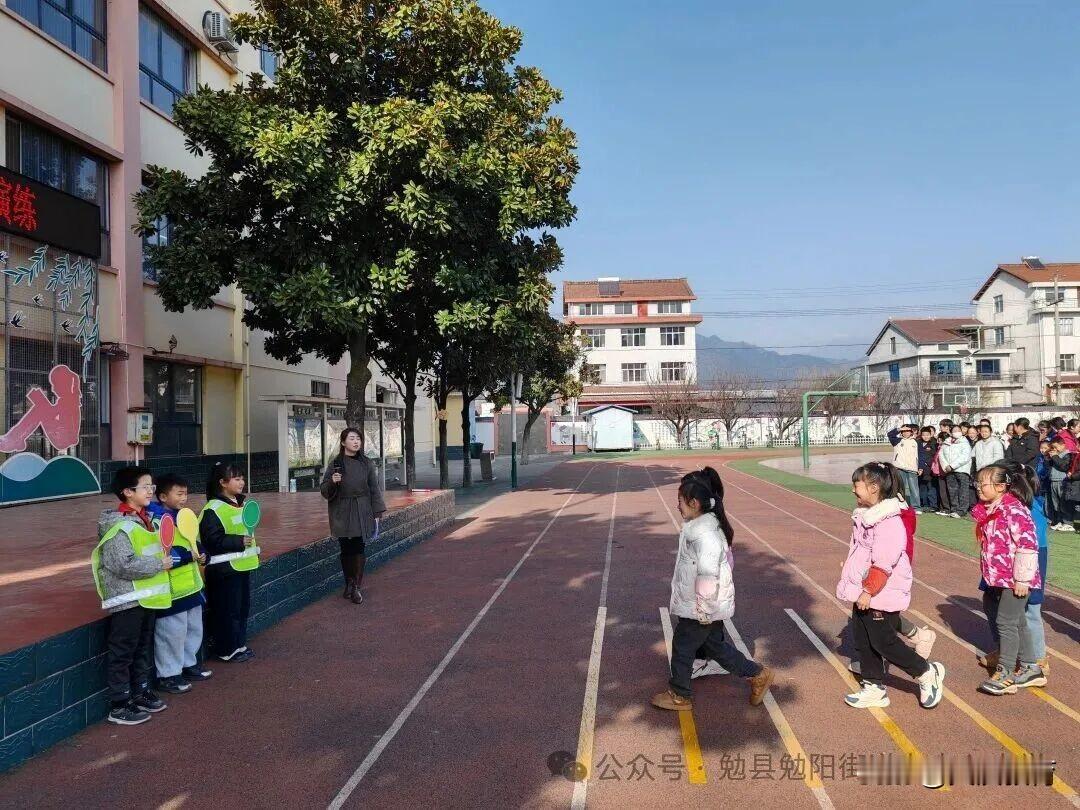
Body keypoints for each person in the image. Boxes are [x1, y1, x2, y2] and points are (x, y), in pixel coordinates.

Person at [651, 472, 774, 711]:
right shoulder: (698, 528)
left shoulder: (705, 535)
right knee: (715, 648)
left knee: (683, 646)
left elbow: (708, 574)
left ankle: (680, 694)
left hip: (701, 607)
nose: (677, 506)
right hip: (701, 605)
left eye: (680, 501)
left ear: (694, 503)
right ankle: (757, 674)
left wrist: (704, 609)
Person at [836, 462, 945, 709]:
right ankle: (874, 687)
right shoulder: (865, 517)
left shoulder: (888, 522)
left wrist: (868, 590)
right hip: (865, 590)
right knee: (864, 639)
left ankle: (926, 672)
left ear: (874, 488)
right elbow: (861, 553)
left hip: (879, 592)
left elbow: (884, 562)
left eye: (857, 485)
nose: (853, 490)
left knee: (884, 642)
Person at [91, 467, 174, 725]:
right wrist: (159, 564)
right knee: (123, 651)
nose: (151, 491)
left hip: (147, 596)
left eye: (152, 486)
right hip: (127, 599)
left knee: (141, 647)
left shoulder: (146, 519)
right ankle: (119, 705)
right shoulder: (118, 525)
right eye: (145, 487)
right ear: (127, 492)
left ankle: (140, 692)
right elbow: (122, 564)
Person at [972, 463, 1042, 695]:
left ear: (1001, 486)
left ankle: (1006, 672)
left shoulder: (1014, 511)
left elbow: (1028, 545)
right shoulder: (992, 510)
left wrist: (1022, 579)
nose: (978, 487)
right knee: (1017, 621)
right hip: (1000, 578)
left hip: (1015, 580)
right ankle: (1031, 667)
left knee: (1005, 622)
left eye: (983, 484)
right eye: (977, 483)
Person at [147, 474, 211, 693]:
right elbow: (162, 553)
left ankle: (188, 664)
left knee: (193, 628)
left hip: (192, 586)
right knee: (171, 633)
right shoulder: (156, 520)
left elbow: (195, 543)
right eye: (179, 493)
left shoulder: (185, 516)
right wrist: (186, 556)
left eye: (186, 493)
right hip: (172, 590)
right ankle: (168, 675)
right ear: (163, 496)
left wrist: (203, 554)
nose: (184, 498)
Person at [200, 463, 260, 663]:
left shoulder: (241, 505)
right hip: (224, 569)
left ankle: (239, 645)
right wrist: (238, 541)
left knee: (241, 608)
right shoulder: (212, 509)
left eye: (242, 478)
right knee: (227, 610)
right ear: (223, 483)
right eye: (237, 478)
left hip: (242, 566)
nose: (242, 482)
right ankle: (226, 650)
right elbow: (211, 540)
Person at [320, 427, 387, 605]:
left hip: (361, 508)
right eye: (351, 438)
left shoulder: (367, 463)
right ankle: (349, 582)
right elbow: (324, 490)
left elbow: (374, 488)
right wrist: (332, 482)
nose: (356, 442)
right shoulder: (336, 464)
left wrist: (377, 511)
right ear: (343, 442)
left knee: (358, 546)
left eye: (358, 438)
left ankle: (356, 586)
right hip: (341, 510)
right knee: (345, 547)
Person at [941, 425, 973, 518]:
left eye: (958, 430)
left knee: (963, 491)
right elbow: (941, 455)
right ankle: (954, 508)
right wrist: (946, 466)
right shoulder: (946, 443)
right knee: (952, 490)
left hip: (962, 470)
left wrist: (952, 466)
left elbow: (965, 457)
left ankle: (962, 510)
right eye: (954, 430)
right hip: (949, 471)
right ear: (950, 432)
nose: (957, 432)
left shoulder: (965, 442)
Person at [888, 424, 921, 509]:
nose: (906, 433)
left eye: (908, 431)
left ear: (911, 432)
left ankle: (916, 507)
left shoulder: (916, 442)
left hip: (912, 468)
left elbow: (921, 455)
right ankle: (901, 505)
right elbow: (890, 434)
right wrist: (900, 429)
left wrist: (920, 467)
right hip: (899, 468)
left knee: (914, 489)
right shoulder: (897, 441)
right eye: (903, 431)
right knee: (900, 488)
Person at [1046, 437, 1072, 530]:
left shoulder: (1067, 454)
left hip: (1063, 481)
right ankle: (1059, 521)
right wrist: (1049, 458)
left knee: (1064, 503)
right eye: (1053, 447)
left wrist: (1055, 457)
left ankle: (1068, 522)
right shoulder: (1055, 455)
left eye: (1056, 447)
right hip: (1053, 480)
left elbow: (1064, 466)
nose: (1055, 449)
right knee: (1055, 504)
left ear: (1063, 445)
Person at [916, 427, 939, 513]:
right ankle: (924, 504)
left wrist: (928, 463)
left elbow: (935, 456)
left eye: (927, 435)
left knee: (931, 487)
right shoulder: (918, 443)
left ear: (931, 435)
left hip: (930, 470)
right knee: (922, 487)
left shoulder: (934, 443)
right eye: (924, 435)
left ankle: (933, 505)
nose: (925, 437)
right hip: (920, 469)